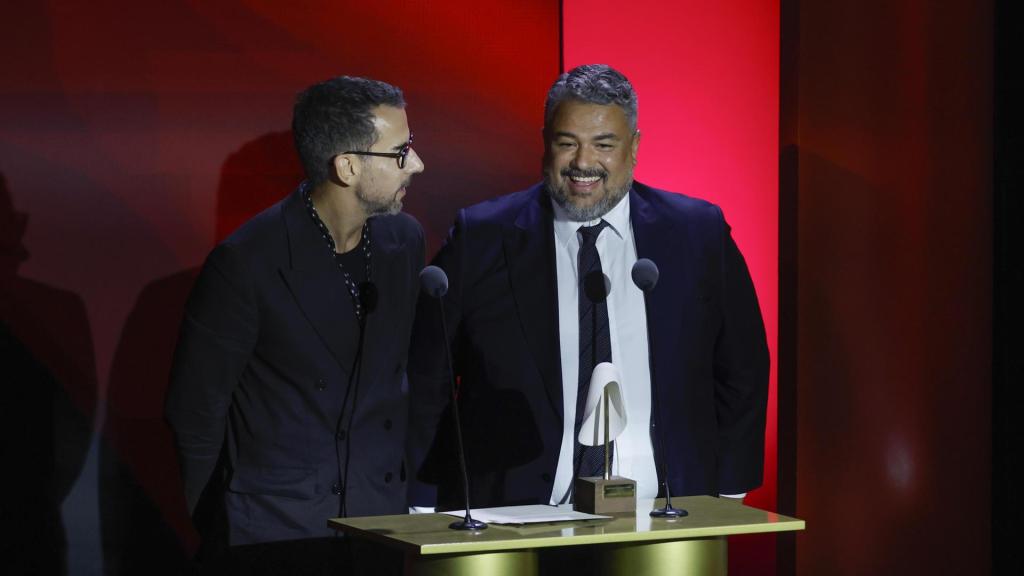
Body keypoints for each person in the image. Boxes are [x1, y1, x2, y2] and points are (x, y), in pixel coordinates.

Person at [408, 64, 768, 511]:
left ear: (633, 147)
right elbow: (428, 374)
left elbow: (743, 366)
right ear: (546, 143)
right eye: (567, 143)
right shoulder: (482, 235)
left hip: (668, 510)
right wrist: (423, 498)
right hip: (515, 513)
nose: (583, 163)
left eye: (604, 144)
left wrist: (728, 491)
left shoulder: (697, 234)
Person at [165, 76, 425, 573]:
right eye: (400, 152)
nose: (416, 163)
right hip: (278, 535)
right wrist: (223, 525)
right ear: (347, 167)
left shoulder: (403, 242)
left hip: (382, 529)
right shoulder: (247, 263)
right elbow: (194, 411)